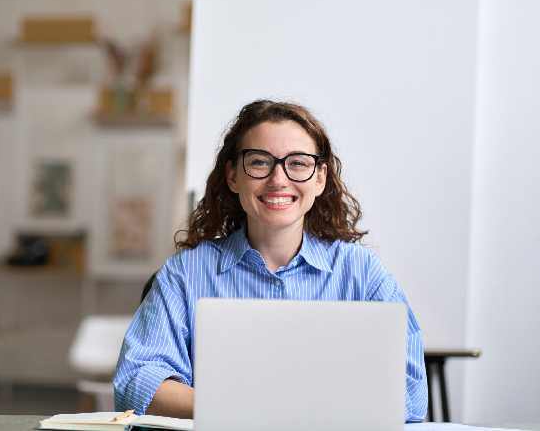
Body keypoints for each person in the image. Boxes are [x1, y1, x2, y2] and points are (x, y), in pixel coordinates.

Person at [113, 99, 427, 422]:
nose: (279, 179)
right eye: (260, 162)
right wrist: (242, 407)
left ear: (320, 178)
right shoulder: (184, 274)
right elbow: (137, 383)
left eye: (298, 163)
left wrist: (286, 406)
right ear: (233, 176)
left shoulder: (361, 273)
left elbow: (411, 393)